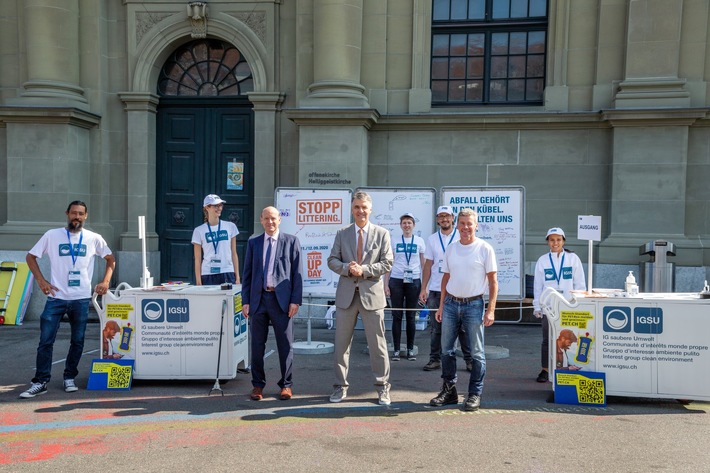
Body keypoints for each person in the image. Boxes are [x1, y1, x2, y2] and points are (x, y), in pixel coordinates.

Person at [20, 201, 115, 398]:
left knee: (78, 340)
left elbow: (110, 259)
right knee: (46, 341)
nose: (77, 217)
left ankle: (69, 377)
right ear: (67, 214)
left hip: (80, 299)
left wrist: (105, 282)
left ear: (86, 216)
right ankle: (40, 381)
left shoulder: (93, 238)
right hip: (56, 297)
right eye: (74, 213)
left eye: (81, 214)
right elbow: (31, 257)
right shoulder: (52, 235)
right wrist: (41, 281)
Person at [327, 191, 394, 405]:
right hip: (346, 297)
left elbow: (387, 263)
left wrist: (363, 270)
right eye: (357, 207)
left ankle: (382, 387)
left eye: (364, 207)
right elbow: (332, 260)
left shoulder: (382, 233)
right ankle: (339, 387)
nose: (360, 211)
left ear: (370, 209)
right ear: (352, 209)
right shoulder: (342, 233)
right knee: (341, 346)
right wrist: (347, 268)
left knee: (378, 346)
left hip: (372, 296)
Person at [429, 208, 497, 412]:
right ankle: (449, 391)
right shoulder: (451, 249)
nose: (466, 227)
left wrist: (491, 310)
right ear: (457, 226)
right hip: (450, 304)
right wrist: (441, 305)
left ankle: (475, 394)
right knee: (446, 350)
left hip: (474, 305)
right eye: (462, 223)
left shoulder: (485, 248)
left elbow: (493, 282)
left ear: (476, 225)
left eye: (470, 223)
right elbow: (445, 278)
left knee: (477, 353)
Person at [242, 206, 302, 401]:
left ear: (280, 220)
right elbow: (247, 274)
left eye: (273, 218)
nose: (270, 222)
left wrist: (295, 300)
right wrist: (245, 301)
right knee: (257, 346)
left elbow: (297, 275)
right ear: (261, 220)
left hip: (282, 302)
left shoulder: (291, 242)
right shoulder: (254, 243)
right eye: (266, 218)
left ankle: (286, 385)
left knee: (285, 345)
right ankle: (258, 385)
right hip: (258, 301)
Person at [419, 205, 473, 372]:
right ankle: (434, 359)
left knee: (463, 328)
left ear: (452, 219)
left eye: (447, 216)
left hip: (457, 289)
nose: (444, 219)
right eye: (441, 216)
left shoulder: (461, 236)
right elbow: (428, 265)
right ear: (437, 220)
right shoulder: (432, 239)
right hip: (436, 289)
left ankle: (469, 360)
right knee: (436, 328)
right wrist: (423, 288)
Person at [532, 227, 586, 382]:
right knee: (547, 339)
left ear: (563, 241)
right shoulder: (542, 260)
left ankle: (569, 367)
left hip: (569, 306)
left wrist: (579, 303)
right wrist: (537, 306)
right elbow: (538, 285)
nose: (555, 243)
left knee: (568, 339)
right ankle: (545, 369)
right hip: (548, 307)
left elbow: (580, 283)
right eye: (552, 240)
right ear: (548, 242)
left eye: (558, 239)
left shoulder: (573, 258)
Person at [384, 213, 426, 361]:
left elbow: (423, 264)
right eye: (404, 223)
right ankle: (396, 349)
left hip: (414, 280)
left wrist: (424, 287)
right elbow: (389, 263)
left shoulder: (420, 241)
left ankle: (409, 349)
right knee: (396, 316)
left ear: (413, 225)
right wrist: (385, 284)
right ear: (400, 225)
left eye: (409, 222)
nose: (407, 225)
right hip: (396, 280)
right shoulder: (394, 240)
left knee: (410, 317)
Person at [192, 194, 241, 286]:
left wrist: (237, 277)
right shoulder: (199, 230)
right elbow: (197, 259)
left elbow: (234, 253)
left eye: (220, 205)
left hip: (227, 271)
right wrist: (198, 282)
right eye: (216, 206)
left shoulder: (230, 226)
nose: (219, 208)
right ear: (207, 207)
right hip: (208, 273)